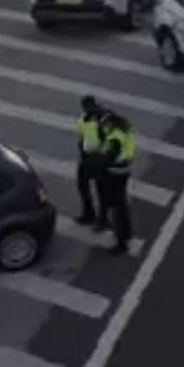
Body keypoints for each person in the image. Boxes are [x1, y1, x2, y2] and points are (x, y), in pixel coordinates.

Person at [97, 112, 136, 254]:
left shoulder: (115, 138)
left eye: (105, 125)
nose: (104, 127)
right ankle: (128, 232)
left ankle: (121, 243)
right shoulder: (128, 131)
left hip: (114, 173)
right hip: (125, 170)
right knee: (122, 204)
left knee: (115, 208)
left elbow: (108, 157)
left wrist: (100, 162)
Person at [75, 96, 105, 226]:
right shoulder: (87, 118)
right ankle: (93, 215)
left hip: (96, 158)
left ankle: (97, 217)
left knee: (97, 188)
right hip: (92, 157)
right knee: (89, 186)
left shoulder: (97, 118)